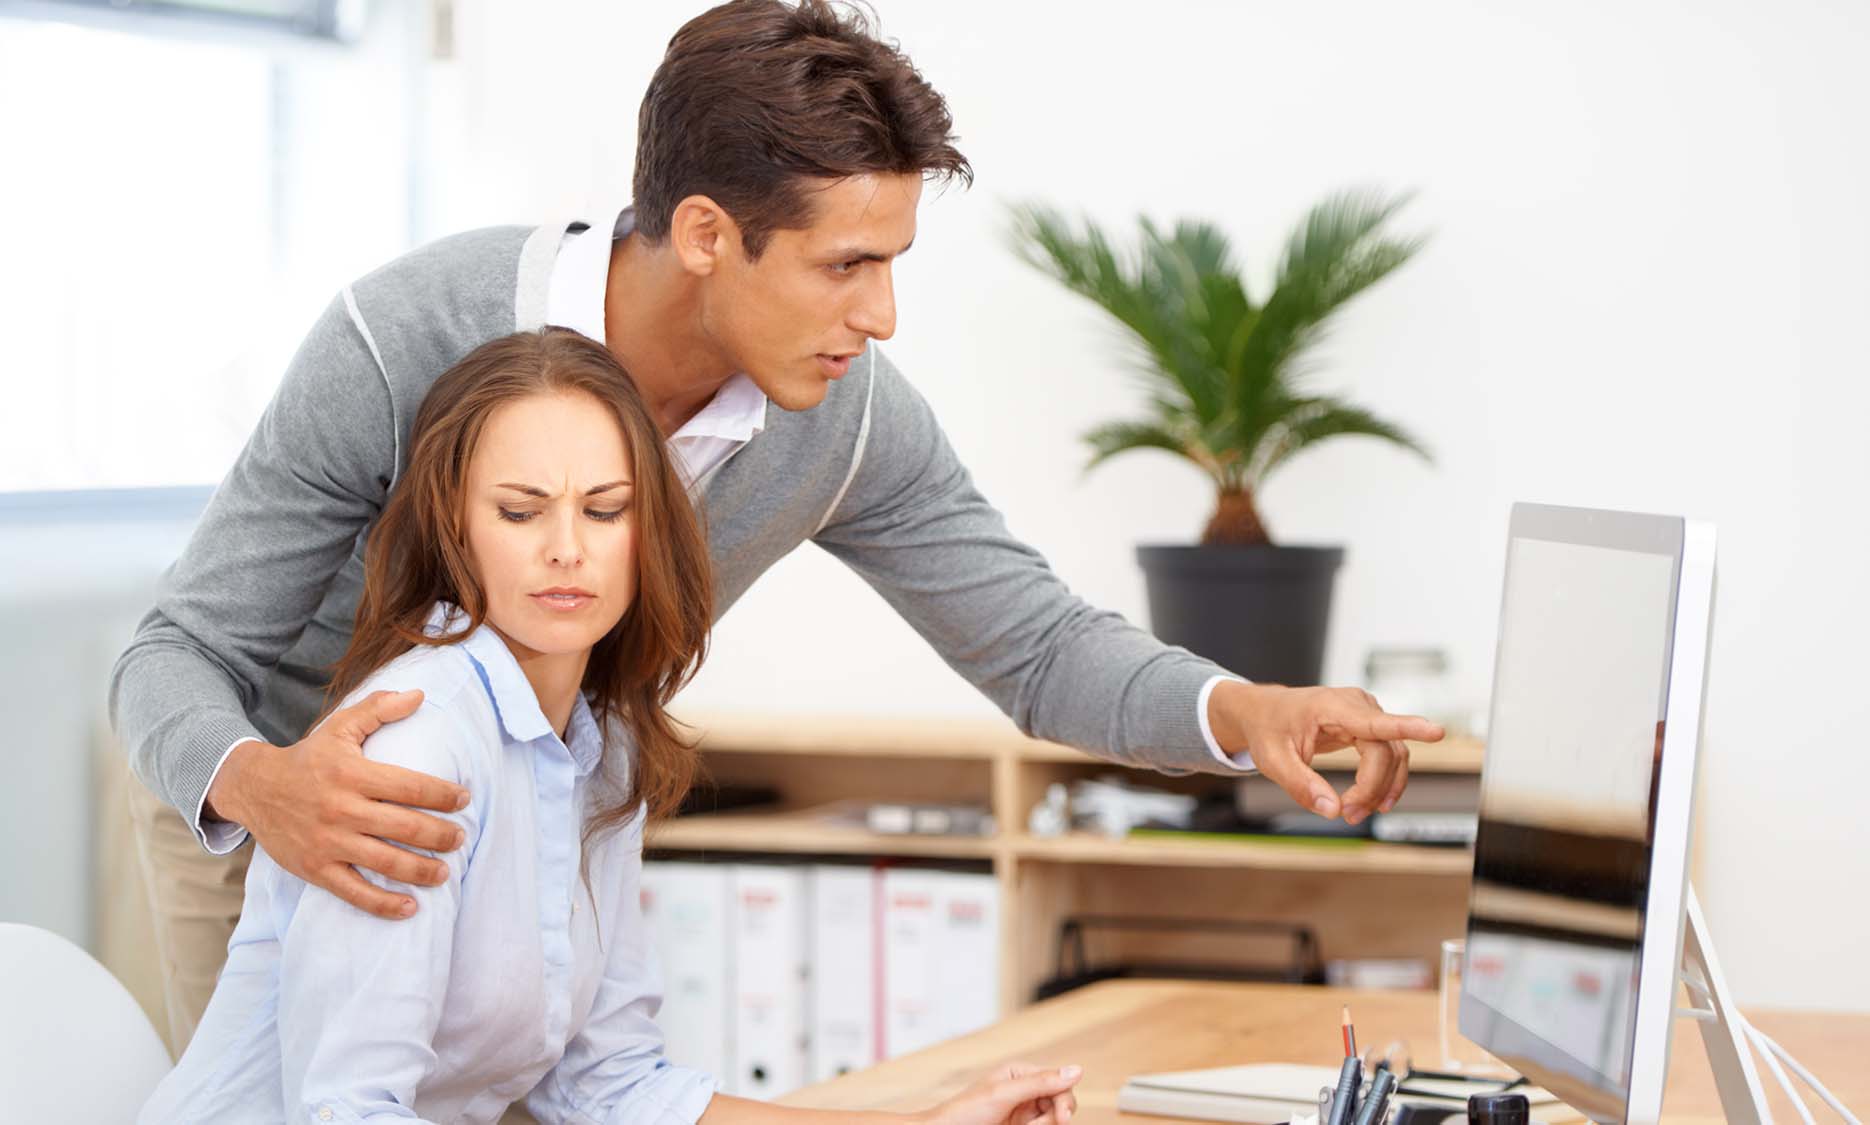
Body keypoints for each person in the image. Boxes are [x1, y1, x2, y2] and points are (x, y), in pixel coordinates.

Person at [113, 0, 1445, 1054]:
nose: (880, 315)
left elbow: (1034, 648)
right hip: (289, 824)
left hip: (526, 836)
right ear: (706, 234)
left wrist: (1243, 711)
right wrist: (265, 788)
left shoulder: (846, 418)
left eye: (893, 264)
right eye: (844, 265)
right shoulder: (406, 336)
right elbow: (169, 656)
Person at [140, 328, 1082, 1125]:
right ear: (455, 529)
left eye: (605, 509)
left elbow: (613, 1087)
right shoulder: (414, 742)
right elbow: (349, 1107)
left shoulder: (603, 741)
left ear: (649, 531)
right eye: (520, 511)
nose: (566, 548)